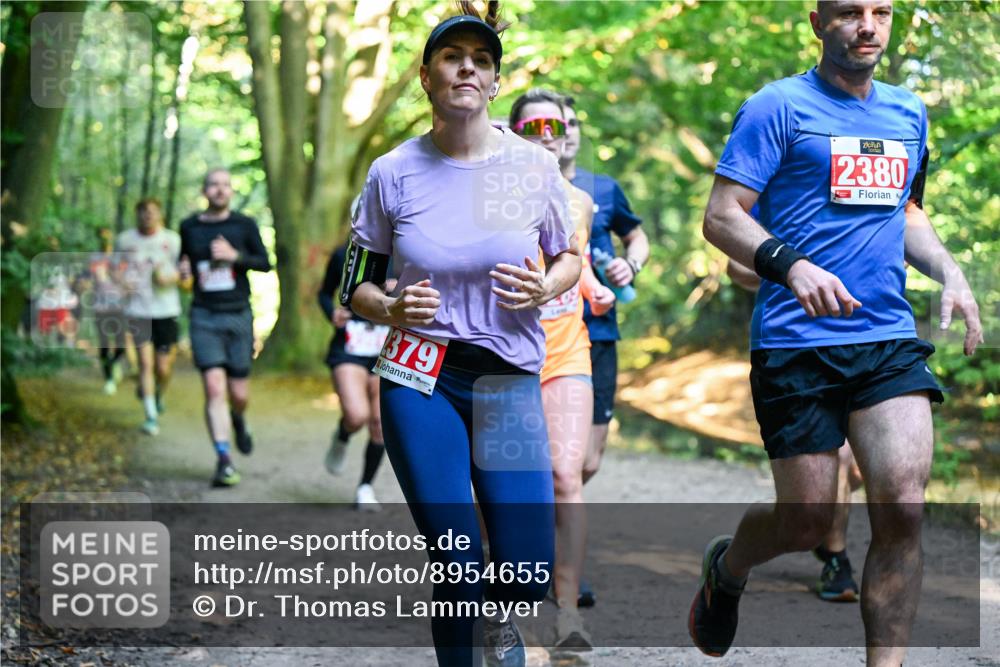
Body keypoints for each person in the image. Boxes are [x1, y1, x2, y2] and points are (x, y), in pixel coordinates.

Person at [689, 2, 984, 665]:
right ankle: (728, 567)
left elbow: (908, 211)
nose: (869, 26)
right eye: (850, 12)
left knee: (903, 505)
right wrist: (789, 266)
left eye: (881, 11)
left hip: (884, 336)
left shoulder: (908, 112)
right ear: (818, 20)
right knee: (808, 520)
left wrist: (952, 274)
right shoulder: (776, 107)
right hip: (795, 343)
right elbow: (721, 215)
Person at [342, 4, 581, 665]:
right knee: (456, 554)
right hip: (421, 377)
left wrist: (546, 286)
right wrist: (389, 309)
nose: (467, 67)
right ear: (426, 76)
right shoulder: (394, 172)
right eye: (452, 57)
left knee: (528, 567)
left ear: (496, 82)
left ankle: (497, 619)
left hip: (506, 379)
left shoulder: (533, 167)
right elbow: (355, 284)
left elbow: (570, 257)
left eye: (481, 59)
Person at [509, 88, 615, 652]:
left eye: (553, 124)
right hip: (502, 355)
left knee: (565, 478)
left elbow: (579, 262)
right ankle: (510, 613)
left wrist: (597, 290)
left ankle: (568, 614)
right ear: (513, 132)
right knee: (500, 490)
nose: (545, 132)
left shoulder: (581, 201)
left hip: (566, 353)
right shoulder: (489, 196)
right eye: (531, 125)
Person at [558, 95, 650, 608]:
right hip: (547, 339)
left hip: (600, 335)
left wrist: (629, 267)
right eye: (554, 123)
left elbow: (637, 239)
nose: (564, 131)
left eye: (572, 123)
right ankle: (553, 562)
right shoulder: (515, 188)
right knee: (561, 466)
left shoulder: (603, 189)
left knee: (587, 460)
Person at [728, 258, 863, 602]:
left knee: (863, 468)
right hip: (800, 344)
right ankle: (836, 558)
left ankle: (828, 538)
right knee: (840, 459)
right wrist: (793, 273)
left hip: (874, 336)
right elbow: (735, 265)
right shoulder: (777, 204)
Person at [179, 168, 271, 488]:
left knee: (238, 394)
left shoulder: (244, 225)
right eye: (213, 185)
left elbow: (265, 262)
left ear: (231, 191)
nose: (219, 190)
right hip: (204, 315)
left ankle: (239, 419)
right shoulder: (189, 227)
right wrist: (183, 269)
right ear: (204, 191)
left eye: (224, 185)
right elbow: (184, 262)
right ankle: (224, 459)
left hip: (238, 315)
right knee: (214, 389)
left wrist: (235, 256)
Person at [318, 237, 390, 511]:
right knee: (356, 415)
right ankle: (343, 434)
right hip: (350, 345)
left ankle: (365, 488)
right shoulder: (344, 255)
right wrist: (331, 313)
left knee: (380, 423)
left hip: (387, 347)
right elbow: (323, 293)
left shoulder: (408, 253)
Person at [116, 198, 182, 436]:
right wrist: (124, 284)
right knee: (145, 364)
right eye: (143, 212)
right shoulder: (125, 240)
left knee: (163, 368)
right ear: (137, 215)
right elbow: (117, 272)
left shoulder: (172, 240)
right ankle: (151, 416)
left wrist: (169, 278)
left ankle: (158, 394)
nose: (148, 216)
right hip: (138, 311)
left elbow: (185, 273)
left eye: (152, 212)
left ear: (160, 214)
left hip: (166, 311)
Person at [87, 228, 128, 394]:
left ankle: (114, 363)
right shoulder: (93, 259)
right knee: (104, 344)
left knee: (121, 345)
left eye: (108, 235)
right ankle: (109, 379)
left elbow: (128, 282)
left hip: (120, 307)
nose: (105, 239)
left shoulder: (120, 259)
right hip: (101, 307)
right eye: (102, 236)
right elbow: (88, 281)